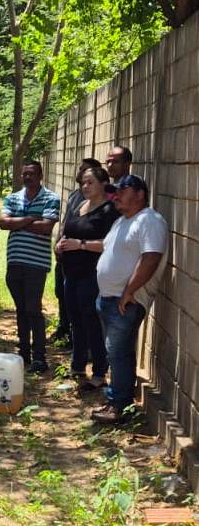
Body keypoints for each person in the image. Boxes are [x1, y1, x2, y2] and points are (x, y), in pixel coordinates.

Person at [91, 174, 167, 424]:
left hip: (126, 301)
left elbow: (151, 258)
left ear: (140, 194)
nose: (116, 196)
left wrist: (129, 291)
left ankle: (119, 406)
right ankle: (117, 399)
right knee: (117, 353)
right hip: (108, 299)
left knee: (117, 352)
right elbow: (108, 249)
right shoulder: (122, 221)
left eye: (122, 190)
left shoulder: (150, 220)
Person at [55, 166, 119, 389]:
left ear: (103, 184)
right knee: (75, 320)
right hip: (70, 272)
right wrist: (61, 245)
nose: (85, 186)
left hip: (91, 274)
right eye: (83, 182)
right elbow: (67, 231)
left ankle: (100, 371)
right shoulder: (79, 205)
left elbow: (110, 244)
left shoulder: (109, 211)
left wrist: (80, 245)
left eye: (90, 182)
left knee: (91, 321)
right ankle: (78, 365)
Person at [0, 160, 60, 373]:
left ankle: (40, 356)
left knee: (33, 309)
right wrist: (31, 218)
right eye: (24, 174)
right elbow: (3, 223)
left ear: (40, 175)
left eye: (32, 174)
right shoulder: (12, 197)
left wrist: (18, 221)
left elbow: (46, 228)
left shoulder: (51, 198)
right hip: (14, 262)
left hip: (36, 263)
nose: (27, 177)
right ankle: (24, 352)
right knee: (21, 309)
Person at [52, 158, 102, 346]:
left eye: (85, 171)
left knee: (85, 308)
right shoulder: (75, 195)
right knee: (62, 293)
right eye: (80, 169)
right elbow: (65, 222)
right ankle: (64, 328)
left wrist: (79, 244)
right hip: (66, 256)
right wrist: (59, 242)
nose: (80, 173)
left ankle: (83, 345)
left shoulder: (102, 205)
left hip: (86, 265)